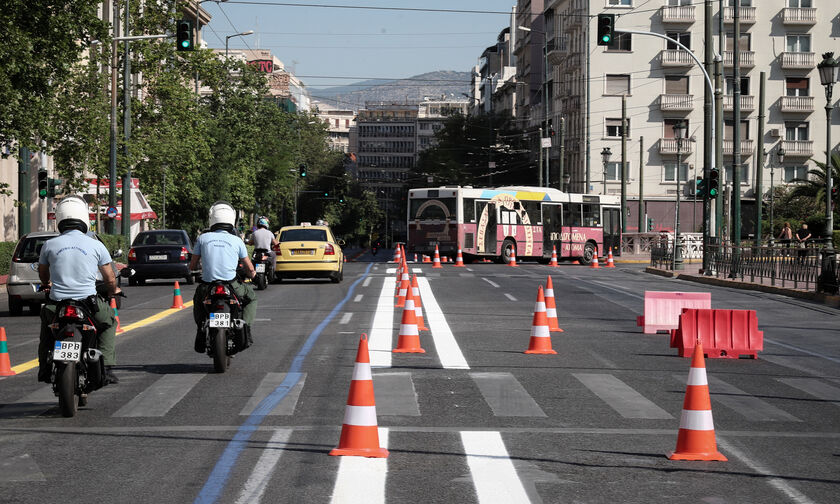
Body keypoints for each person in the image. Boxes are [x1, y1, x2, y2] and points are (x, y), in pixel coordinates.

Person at [37, 195, 121, 384]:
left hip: (57, 304)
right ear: (85, 218)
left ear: (59, 219)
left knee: (46, 329)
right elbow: (109, 277)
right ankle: (106, 367)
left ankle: (44, 368)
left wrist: (47, 283)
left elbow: (43, 273)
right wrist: (112, 290)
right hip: (88, 304)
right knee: (109, 323)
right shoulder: (96, 245)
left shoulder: (49, 245)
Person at [189, 201, 257, 353]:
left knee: (198, 300)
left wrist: (193, 269)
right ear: (231, 220)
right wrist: (252, 274)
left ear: (212, 219)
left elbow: (193, 265)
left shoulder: (202, 238)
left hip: (208, 285)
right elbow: (248, 266)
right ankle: (244, 324)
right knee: (252, 298)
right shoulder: (237, 241)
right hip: (231, 285)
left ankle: (201, 327)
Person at [248, 216, 279, 280]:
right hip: (267, 252)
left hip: (257, 253)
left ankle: (252, 273)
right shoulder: (269, 233)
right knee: (274, 255)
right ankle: (272, 271)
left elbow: (250, 243)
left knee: (252, 260)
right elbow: (275, 243)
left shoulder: (255, 233)